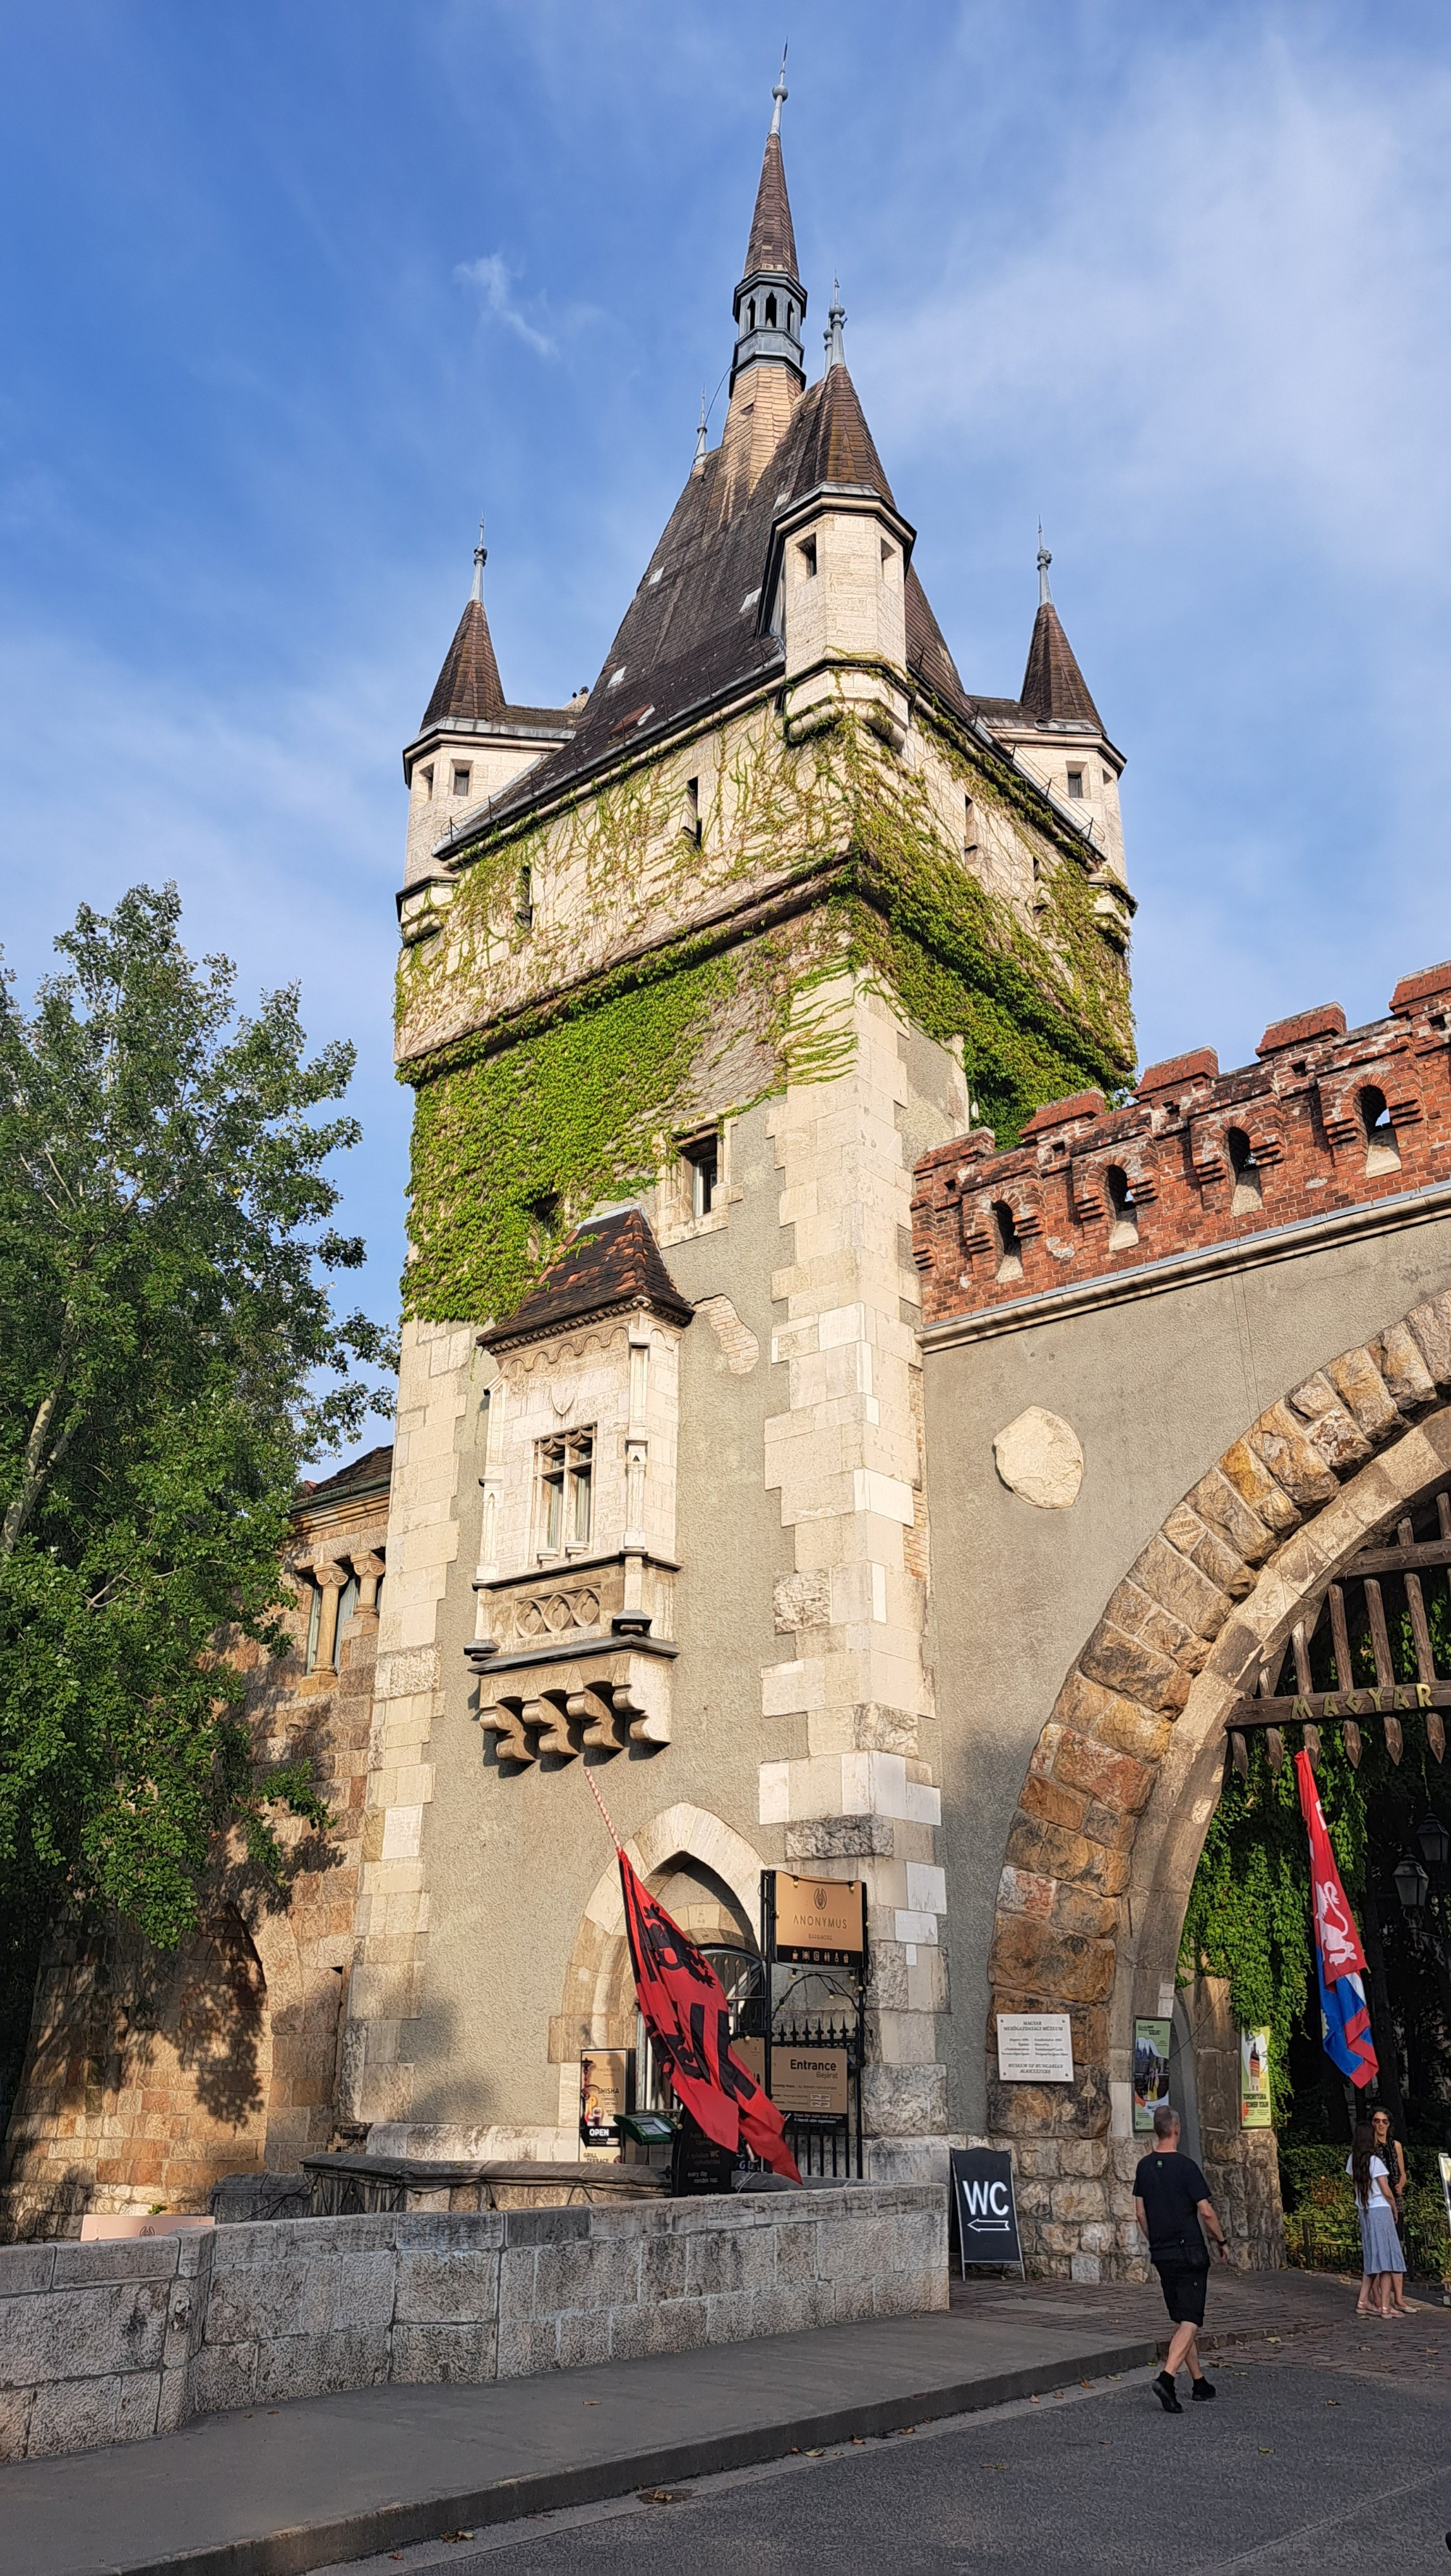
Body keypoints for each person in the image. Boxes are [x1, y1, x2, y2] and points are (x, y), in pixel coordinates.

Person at [1133, 2104, 1230, 2413]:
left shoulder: (1144, 2167)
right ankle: (1167, 2377)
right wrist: (1221, 2240)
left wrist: (1154, 2240)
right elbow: (1206, 2211)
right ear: (1176, 2129)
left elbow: (1140, 2212)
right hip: (1189, 2250)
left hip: (1162, 2252)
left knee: (1181, 2319)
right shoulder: (1187, 2167)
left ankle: (1199, 2382)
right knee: (1191, 2320)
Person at [1347, 2119, 1407, 2320]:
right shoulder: (1374, 2161)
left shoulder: (1353, 2160)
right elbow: (1385, 2190)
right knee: (1387, 2260)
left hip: (1363, 2210)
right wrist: (1393, 2207)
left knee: (1372, 2257)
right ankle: (1385, 2307)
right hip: (1380, 2210)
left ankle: (1363, 2301)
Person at [1367, 2105, 1410, 2316]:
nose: (1381, 2125)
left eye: (1384, 2121)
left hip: (1395, 2198)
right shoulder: (1370, 2147)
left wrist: (1401, 2184)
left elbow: (1402, 2173)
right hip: (1380, 2201)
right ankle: (1379, 2298)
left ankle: (1399, 2297)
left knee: (1396, 2245)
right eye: (1377, 2121)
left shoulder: (1396, 2146)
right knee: (1380, 2250)